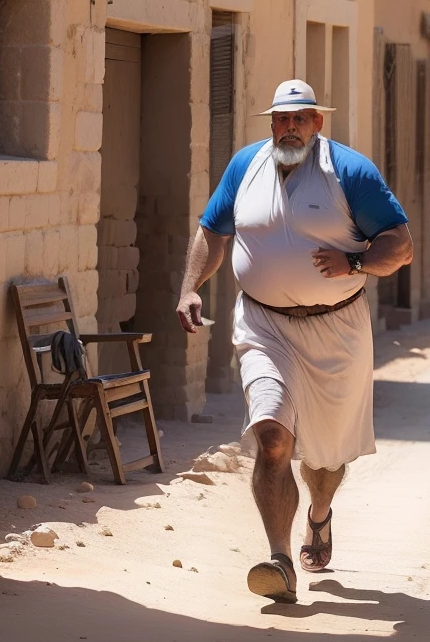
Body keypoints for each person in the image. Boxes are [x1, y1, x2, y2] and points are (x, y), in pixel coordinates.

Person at [175, 80, 412, 604]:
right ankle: (279, 558)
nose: (288, 128)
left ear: (317, 123)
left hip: (336, 326)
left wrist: (354, 261)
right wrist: (190, 288)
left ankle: (319, 515)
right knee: (273, 436)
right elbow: (213, 231)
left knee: (325, 457)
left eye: (299, 119)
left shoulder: (349, 172)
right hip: (263, 323)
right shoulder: (246, 166)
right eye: (280, 119)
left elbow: (400, 245)